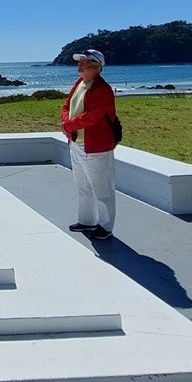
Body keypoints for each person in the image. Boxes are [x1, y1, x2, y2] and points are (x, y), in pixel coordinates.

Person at [60, 49, 118, 240]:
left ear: (96, 66)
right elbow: (67, 105)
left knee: (102, 188)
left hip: (96, 146)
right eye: (80, 61)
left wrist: (68, 124)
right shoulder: (80, 83)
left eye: (84, 62)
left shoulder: (102, 89)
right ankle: (87, 220)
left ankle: (105, 226)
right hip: (77, 143)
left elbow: (93, 115)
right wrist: (66, 123)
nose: (80, 64)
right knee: (82, 185)